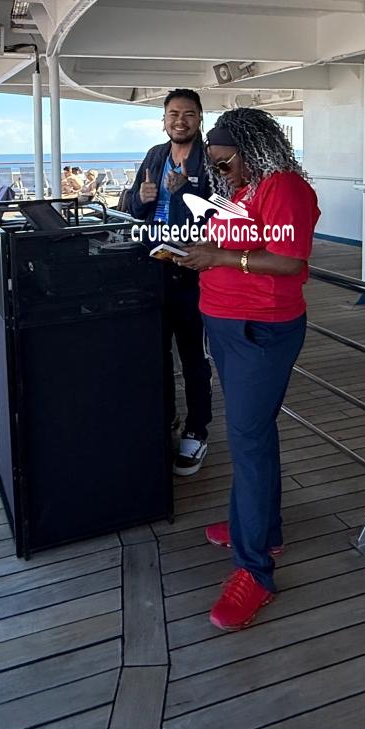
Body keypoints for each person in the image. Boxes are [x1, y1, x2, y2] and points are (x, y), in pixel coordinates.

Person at [178, 108, 319, 631]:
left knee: (247, 440)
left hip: (259, 330)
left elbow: (289, 261)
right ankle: (260, 528)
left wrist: (218, 259)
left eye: (226, 161)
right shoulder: (244, 189)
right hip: (228, 325)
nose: (221, 172)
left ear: (254, 150)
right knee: (253, 435)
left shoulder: (283, 187)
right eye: (214, 164)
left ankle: (255, 569)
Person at [123, 89, 216, 477]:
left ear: (199, 119)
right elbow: (131, 208)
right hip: (153, 267)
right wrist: (140, 197)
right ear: (163, 120)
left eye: (189, 114)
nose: (180, 120)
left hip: (190, 271)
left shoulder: (210, 161)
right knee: (156, 352)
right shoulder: (155, 155)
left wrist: (186, 190)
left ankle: (197, 429)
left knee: (193, 356)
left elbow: (222, 213)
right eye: (173, 114)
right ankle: (166, 416)